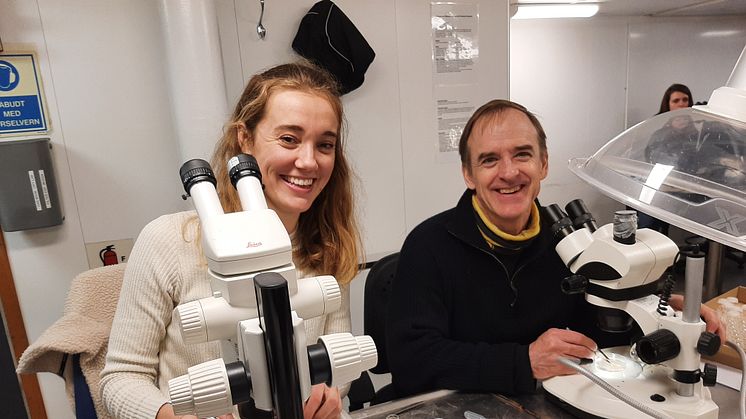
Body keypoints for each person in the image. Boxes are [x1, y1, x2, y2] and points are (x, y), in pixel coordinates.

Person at [386, 99, 725, 398]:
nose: (509, 172)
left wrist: (660, 309)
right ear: (468, 175)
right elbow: (412, 360)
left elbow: (597, 334)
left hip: (542, 400)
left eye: (522, 154)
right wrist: (523, 362)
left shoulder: (565, 241)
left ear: (543, 164)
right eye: (489, 160)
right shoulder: (428, 246)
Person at [101, 61, 362, 419]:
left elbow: (337, 363)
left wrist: (326, 392)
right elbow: (121, 378)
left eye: (325, 144)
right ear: (245, 139)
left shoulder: (327, 245)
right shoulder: (168, 241)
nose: (308, 161)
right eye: (289, 138)